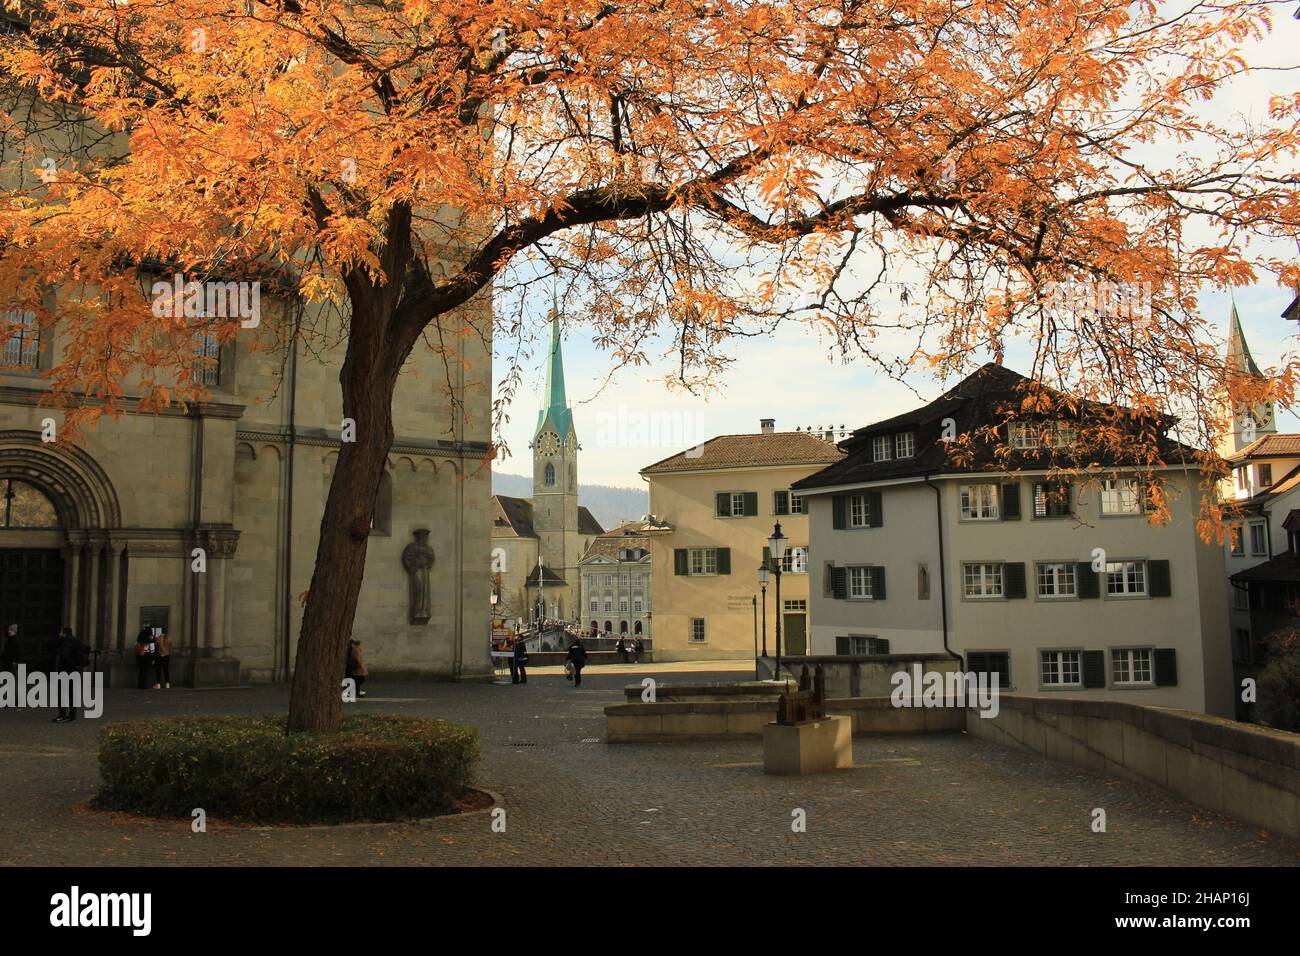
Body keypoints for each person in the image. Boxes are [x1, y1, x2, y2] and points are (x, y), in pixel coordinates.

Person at [52, 626, 86, 722]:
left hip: (66, 671)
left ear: (65, 634)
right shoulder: (77, 642)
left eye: (61, 632)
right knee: (72, 694)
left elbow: (66, 656)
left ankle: (62, 715)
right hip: (75, 671)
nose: (59, 634)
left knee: (62, 694)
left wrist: (69, 666)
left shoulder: (65, 643)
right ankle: (72, 715)